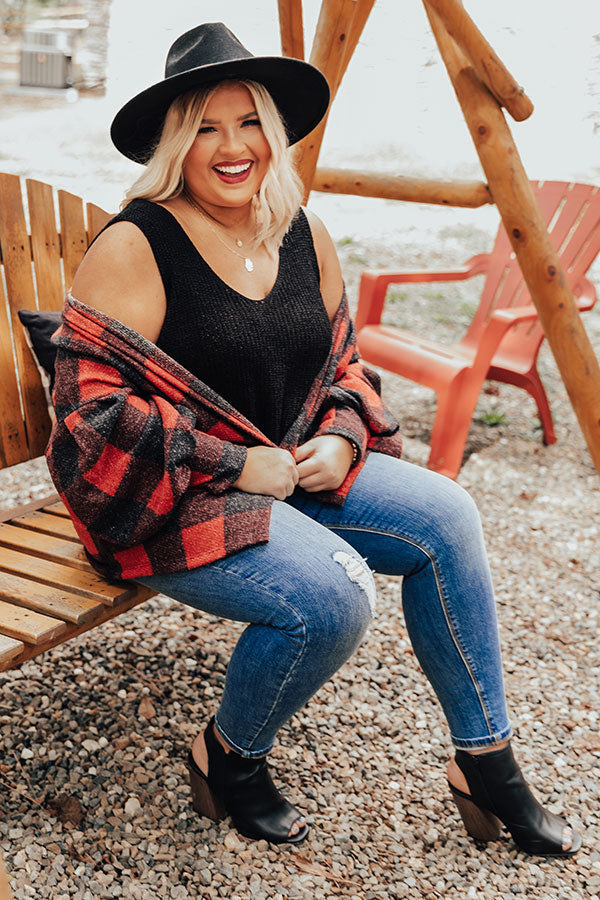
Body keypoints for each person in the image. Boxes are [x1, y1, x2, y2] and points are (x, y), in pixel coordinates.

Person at [46, 23, 581, 853]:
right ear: (175, 145)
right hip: (167, 493)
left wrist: (341, 439)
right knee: (332, 598)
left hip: (289, 468)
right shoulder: (136, 245)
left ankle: (487, 762)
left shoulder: (303, 231)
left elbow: (344, 367)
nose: (233, 148)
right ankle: (229, 756)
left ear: (275, 132)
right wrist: (236, 463)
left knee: (449, 517)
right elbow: (93, 418)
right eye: (206, 128)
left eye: (249, 123)